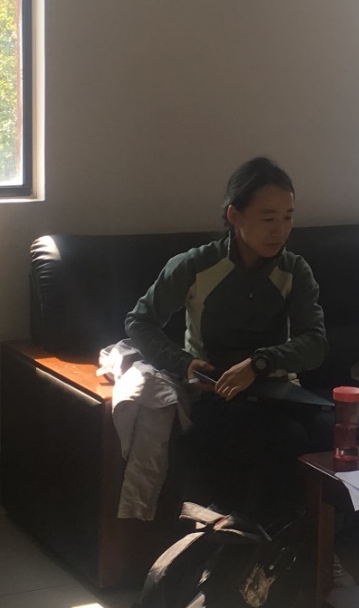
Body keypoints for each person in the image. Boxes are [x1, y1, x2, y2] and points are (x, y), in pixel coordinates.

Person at [125, 157, 328, 525]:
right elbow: (139, 322)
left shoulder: (294, 270)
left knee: (326, 432)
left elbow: (315, 343)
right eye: (268, 218)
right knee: (283, 439)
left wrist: (260, 363)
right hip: (215, 394)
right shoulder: (195, 265)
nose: (280, 230)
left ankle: (303, 542)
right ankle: (268, 543)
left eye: (288, 217)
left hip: (278, 392)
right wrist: (184, 363)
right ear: (235, 215)